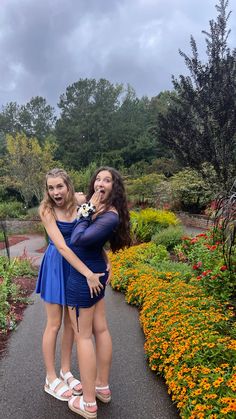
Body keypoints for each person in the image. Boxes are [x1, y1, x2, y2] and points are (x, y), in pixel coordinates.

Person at [66, 167, 131, 419]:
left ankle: (89, 402)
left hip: (85, 279)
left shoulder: (109, 215)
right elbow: (92, 242)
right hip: (94, 274)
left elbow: (78, 240)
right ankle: (102, 387)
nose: (100, 183)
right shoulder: (103, 211)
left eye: (108, 180)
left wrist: (85, 210)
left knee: (83, 337)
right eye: (98, 179)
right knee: (100, 329)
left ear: (115, 188)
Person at [36, 168, 106, 402]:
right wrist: (88, 272)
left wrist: (106, 260)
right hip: (58, 265)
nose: (55, 192)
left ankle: (66, 371)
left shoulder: (79, 203)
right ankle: (50, 377)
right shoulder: (46, 210)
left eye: (59, 186)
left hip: (75, 265)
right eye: (51, 187)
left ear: (68, 186)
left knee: (70, 324)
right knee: (54, 324)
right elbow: (63, 247)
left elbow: (90, 231)